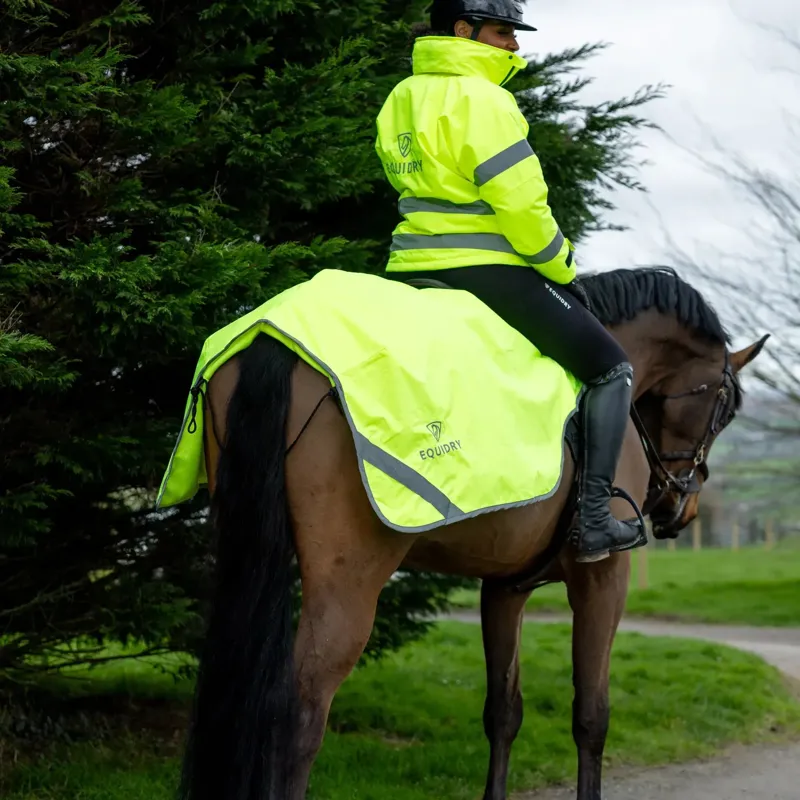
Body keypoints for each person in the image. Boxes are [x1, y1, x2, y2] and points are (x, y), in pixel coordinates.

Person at [374, 0, 646, 561]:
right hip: (486, 269)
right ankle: (594, 522)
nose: (514, 47)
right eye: (503, 33)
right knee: (613, 368)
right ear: (462, 30)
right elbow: (523, 206)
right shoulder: (485, 100)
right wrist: (561, 265)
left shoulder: (400, 96)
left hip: (409, 267)